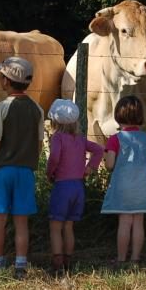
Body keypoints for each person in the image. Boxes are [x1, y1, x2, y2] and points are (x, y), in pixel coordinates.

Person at [0, 57, 44, 279]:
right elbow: (39, 143)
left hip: (1, 171)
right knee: (21, 222)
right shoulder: (37, 109)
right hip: (25, 172)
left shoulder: (0, 108)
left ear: (5, 81)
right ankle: (20, 265)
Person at [101, 95, 146, 267]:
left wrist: (106, 155)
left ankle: (121, 259)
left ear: (118, 115)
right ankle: (135, 258)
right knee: (139, 222)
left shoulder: (115, 139)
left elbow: (110, 165)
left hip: (123, 188)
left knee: (125, 222)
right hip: (143, 188)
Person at [46, 99, 103, 272]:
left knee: (55, 227)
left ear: (54, 122)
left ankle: (57, 263)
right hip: (78, 188)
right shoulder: (80, 140)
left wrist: (49, 172)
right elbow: (99, 150)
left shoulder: (58, 138)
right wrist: (89, 169)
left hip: (62, 187)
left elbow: (54, 157)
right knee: (69, 226)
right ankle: (68, 261)